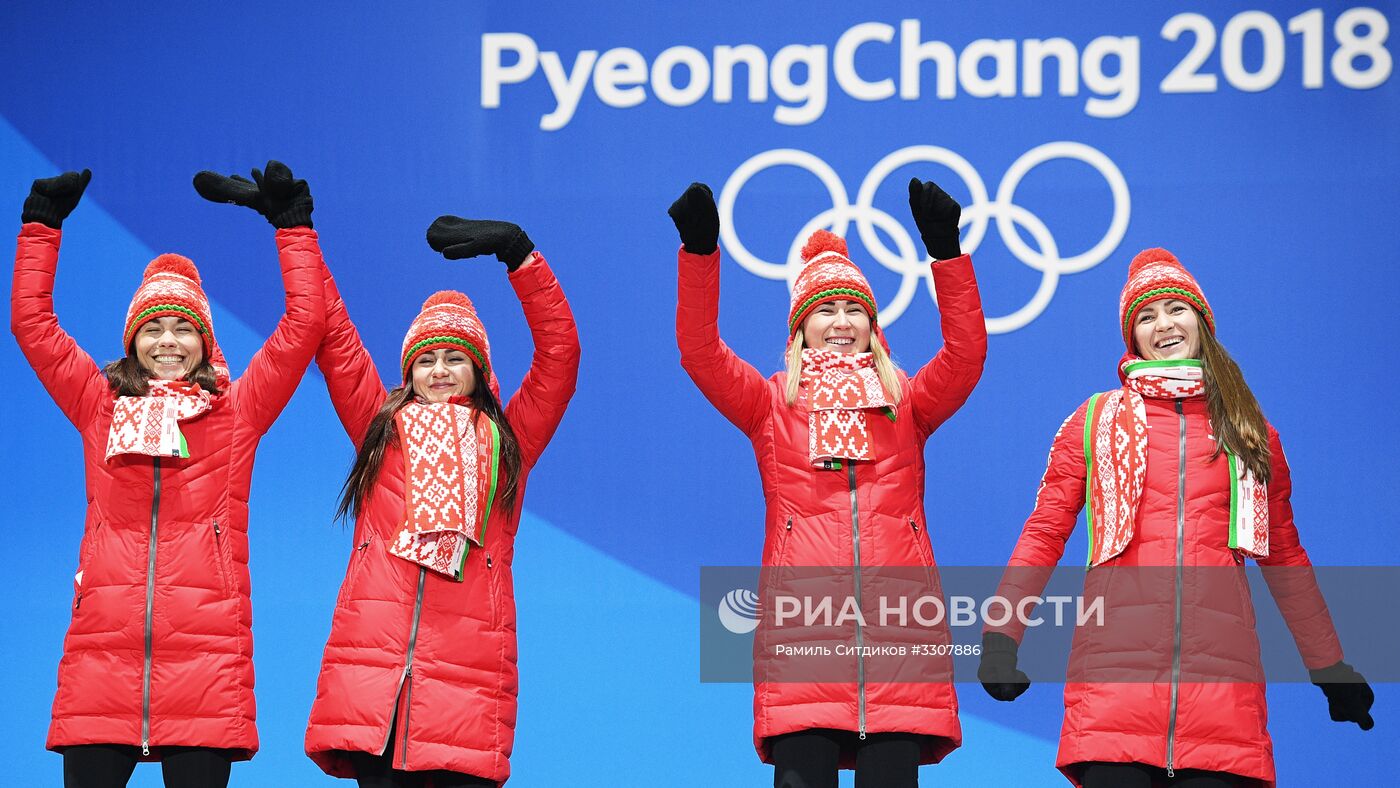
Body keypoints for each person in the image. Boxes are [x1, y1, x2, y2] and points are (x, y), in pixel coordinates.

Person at [978, 248, 1375, 788]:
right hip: (1112, 697)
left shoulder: (1249, 431)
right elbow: (1044, 534)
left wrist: (1329, 668)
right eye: (1146, 317)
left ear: (1202, 322)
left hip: (1223, 705)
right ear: (1133, 337)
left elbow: (1283, 555)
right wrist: (1001, 636)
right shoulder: (1094, 422)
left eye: (1175, 309)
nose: (1163, 324)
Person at [12, 162, 326, 787]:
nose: (168, 341)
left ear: (206, 341)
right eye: (153, 327)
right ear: (132, 341)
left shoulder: (236, 412)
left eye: (184, 327)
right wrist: (41, 229)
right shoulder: (99, 404)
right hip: (103, 660)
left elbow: (303, 328)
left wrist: (293, 231)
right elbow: (33, 326)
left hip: (206, 666)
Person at [669, 180, 987, 788]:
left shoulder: (907, 402)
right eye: (825, 310)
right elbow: (701, 352)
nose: (841, 323)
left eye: (854, 311)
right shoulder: (770, 404)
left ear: (873, 324)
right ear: (800, 326)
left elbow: (966, 355)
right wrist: (701, 255)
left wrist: (947, 255)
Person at [292, 213, 579, 787]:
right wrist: (296, 231)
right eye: (426, 359)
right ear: (409, 371)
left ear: (478, 369)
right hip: (378, 681)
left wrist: (520, 256)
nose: (440, 370)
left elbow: (559, 356)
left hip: (466, 680)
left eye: (454, 358)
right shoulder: (381, 430)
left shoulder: (507, 442)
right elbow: (337, 339)